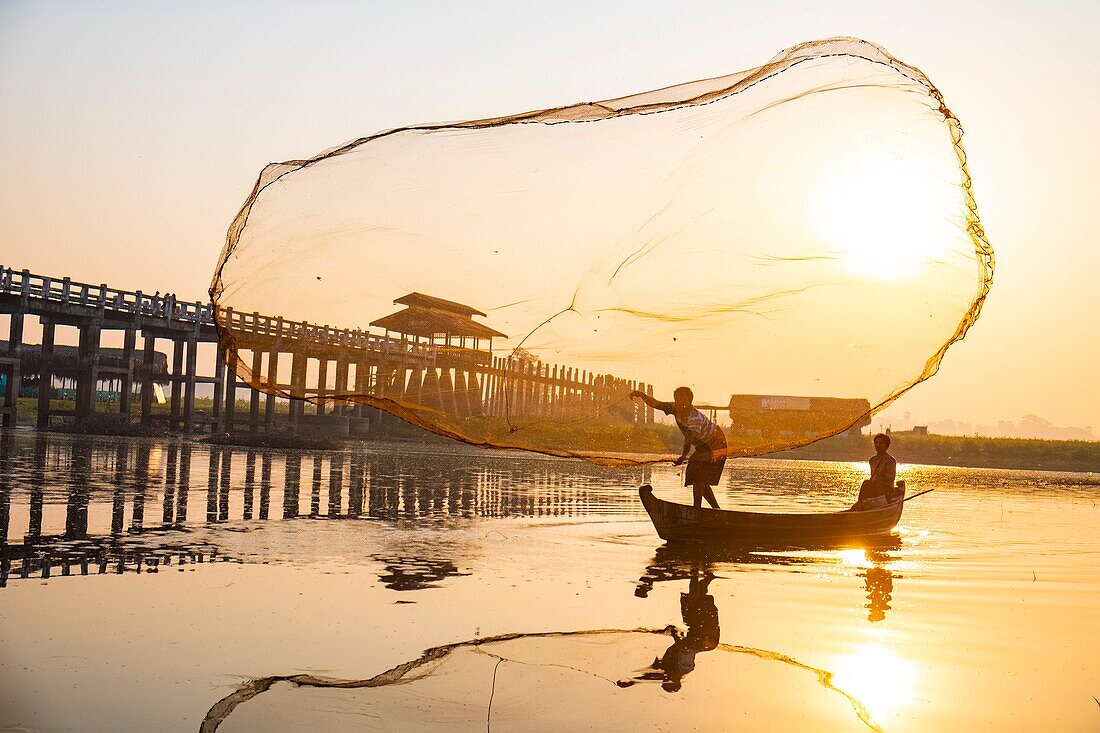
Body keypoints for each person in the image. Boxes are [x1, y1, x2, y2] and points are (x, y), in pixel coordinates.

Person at [631, 387, 726, 509]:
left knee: (698, 475)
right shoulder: (674, 408)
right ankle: (716, 509)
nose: (680, 402)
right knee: (698, 475)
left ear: (690, 401)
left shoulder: (694, 417)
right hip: (703, 446)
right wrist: (640, 394)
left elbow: (689, 438)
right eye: (678, 399)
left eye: (684, 399)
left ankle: (696, 509)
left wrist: (683, 456)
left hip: (716, 443)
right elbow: (655, 403)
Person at [853, 433, 900, 509]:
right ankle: (861, 504)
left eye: (881, 443)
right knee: (867, 483)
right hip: (875, 488)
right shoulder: (872, 460)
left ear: (886, 445)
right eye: (876, 443)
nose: (878, 445)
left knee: (867, 483)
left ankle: (860, 504)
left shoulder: (890, 460)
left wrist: (882, 474)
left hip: (886, 490)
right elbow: (873, 478)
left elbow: (891, 478)